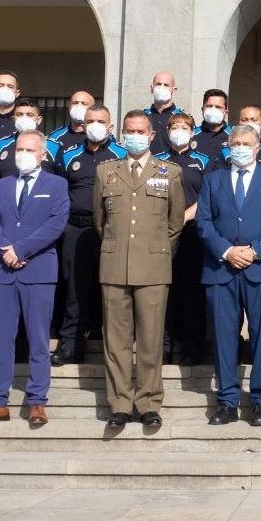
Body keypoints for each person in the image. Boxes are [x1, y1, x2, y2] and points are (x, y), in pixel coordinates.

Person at [0, 131, 69, 427]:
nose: (23, 154)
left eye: (30, 149)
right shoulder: (1, 186)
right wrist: (6, 251)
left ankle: (37, 401)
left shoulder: (57, 184)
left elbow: (56, 223)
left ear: (43, 154)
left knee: (38, 340)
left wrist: (21, 249)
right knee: (2, 339)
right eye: (19, 149)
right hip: (5, 272)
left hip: (38, 272)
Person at [94, 110, 184, 427]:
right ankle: (119, 402)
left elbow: (174, 224)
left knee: (150, 339)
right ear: (121, 133)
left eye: (140, 130)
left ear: (150, 135)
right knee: (116, 341)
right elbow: (100, 222)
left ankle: (148, 402)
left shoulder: (169, 172)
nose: (134, 135)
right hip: (115, 264)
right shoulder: (106, 172)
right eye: (129, 130)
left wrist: (153, 250)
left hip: (154, 267)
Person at [198, 124, 261, 426]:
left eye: (246, 142)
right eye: (234, 142)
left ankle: (260, 400)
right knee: (225, 336)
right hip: (222, 268)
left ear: (258, 146)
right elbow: (204, 222)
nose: (239, 146)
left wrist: (254, 250)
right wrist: (227, 251)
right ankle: (227, 400)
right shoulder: (212, 180)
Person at [53, 105, 128, 365]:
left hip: (109, 229)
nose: (95, 125)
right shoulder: (68, 154)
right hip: (74, 227)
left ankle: (107, 342)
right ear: (83, 125)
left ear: (110, 126)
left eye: (101, 121)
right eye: (90, 121)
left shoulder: (121, 155)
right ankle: (71, 343)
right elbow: (59, 192)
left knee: (110, 286)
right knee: (74, 286)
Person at [154, 112, 212, 364]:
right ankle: (164, 346)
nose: (179, 130)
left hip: (192, 234)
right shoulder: (157, 161)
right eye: (175, 126)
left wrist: (183, 216)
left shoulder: (203, 161)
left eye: (184, 127)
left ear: (192, 131)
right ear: (167, 131)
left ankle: (192, 347)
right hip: (161, 234)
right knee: (165, 290)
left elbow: (209, 196)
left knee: (191, 292)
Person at [0, 98, 61, 182]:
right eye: (19, 114)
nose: (24, 118)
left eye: (30, 115)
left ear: (39, 120)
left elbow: (61, 182)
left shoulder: (54, 146)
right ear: (13, 119)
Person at [144, 71, 184, 153]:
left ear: (174, 90)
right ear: (152, 88)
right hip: (148, 164)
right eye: (158, 84)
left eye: (166, 85)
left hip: (173, 164)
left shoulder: (182, 117)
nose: (162, 88)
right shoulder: (143, 116)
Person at [191, 88, 232, 161]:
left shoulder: (233, 135)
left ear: (225, 112)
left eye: (218, 107)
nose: (213, 110)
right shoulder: (191, 135)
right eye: (209, 106)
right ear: (202, 109)